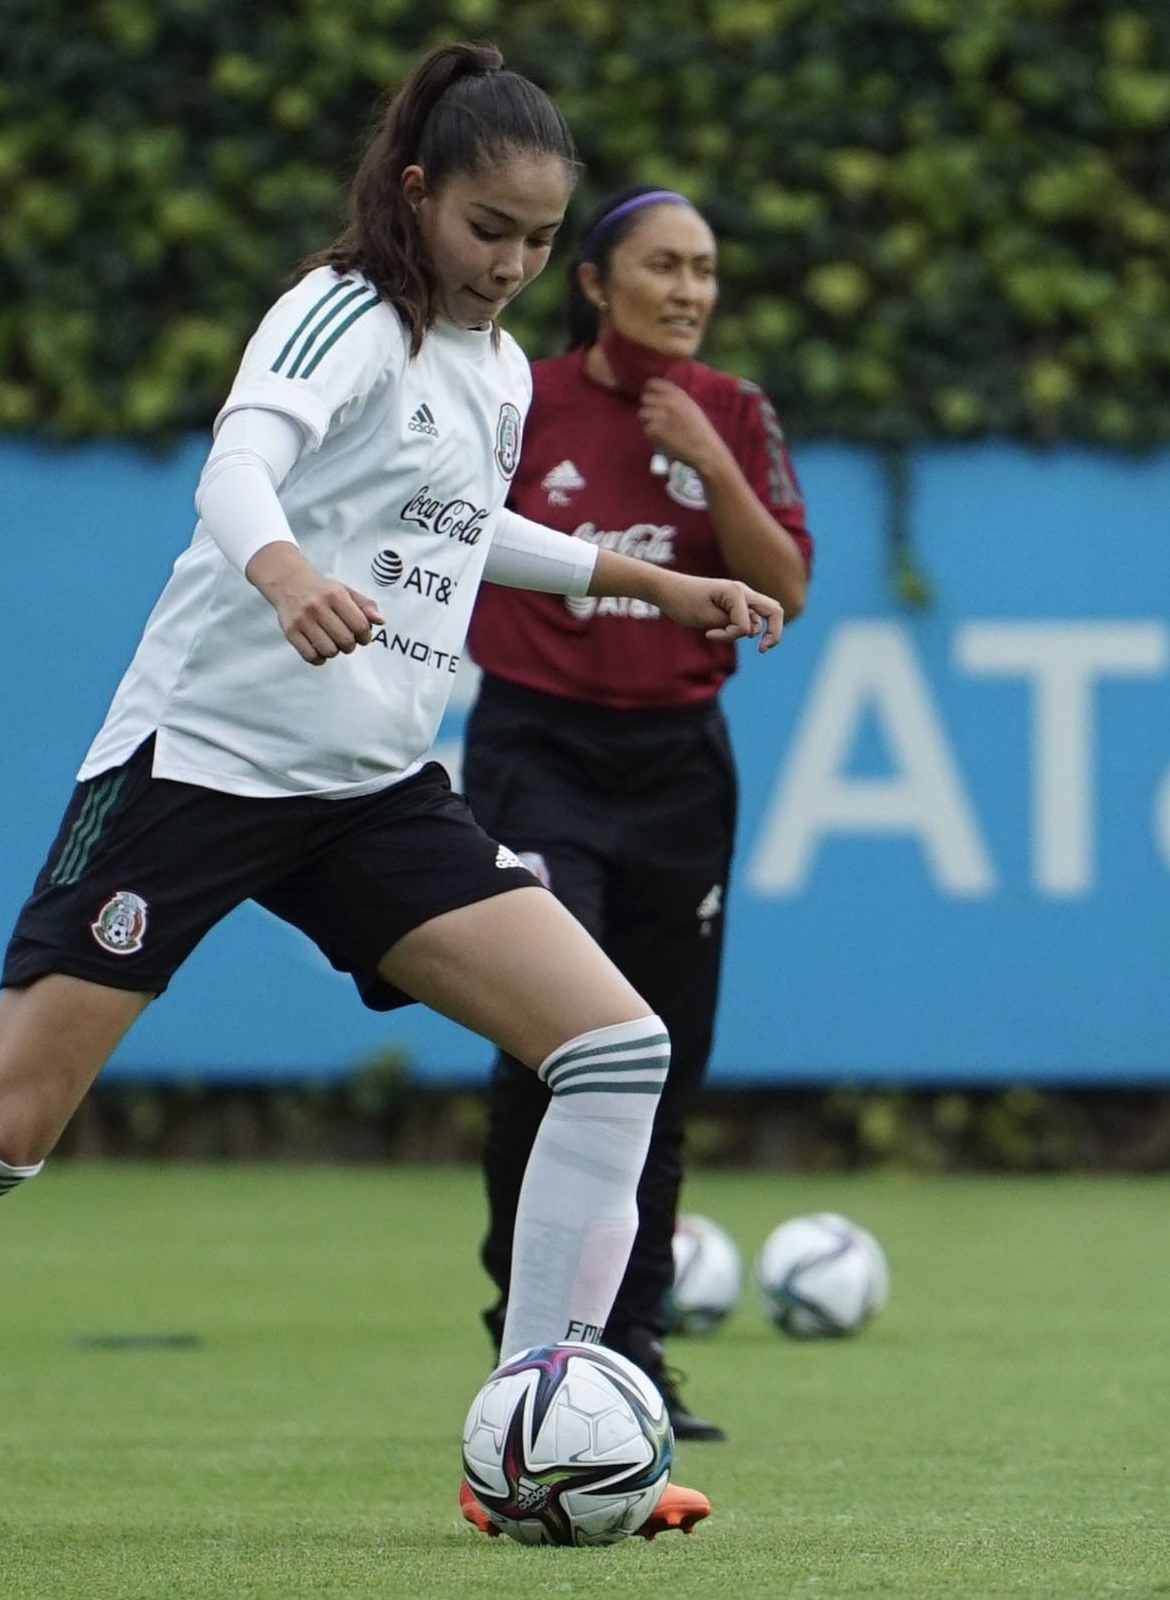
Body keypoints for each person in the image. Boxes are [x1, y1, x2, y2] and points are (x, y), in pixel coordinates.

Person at [0, 49, 782, 1542]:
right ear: (415, 194)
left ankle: (528, 1434)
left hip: (372, 794)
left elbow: (462, 530)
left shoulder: (494, 370)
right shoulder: (341, 311)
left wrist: (649, 583)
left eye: (541, 241)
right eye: (488, 228)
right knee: (5, 1132)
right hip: (196, 772)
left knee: (617, 1049)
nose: (512, 265)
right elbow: (238, 469)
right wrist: (286, 575)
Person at [462, 185, 812, 1441]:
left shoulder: (734, 413)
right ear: (595, 283)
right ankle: (526, 1338)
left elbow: (784, 588)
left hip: (676, 767)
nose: (688, 290)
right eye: (662, 266)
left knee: (660, 1059)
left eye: (704, 269)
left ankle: (635, 1349)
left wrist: (709, 460)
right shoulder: (520, 397)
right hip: (536, 752)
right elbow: (447, 533)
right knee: (557, 1044)